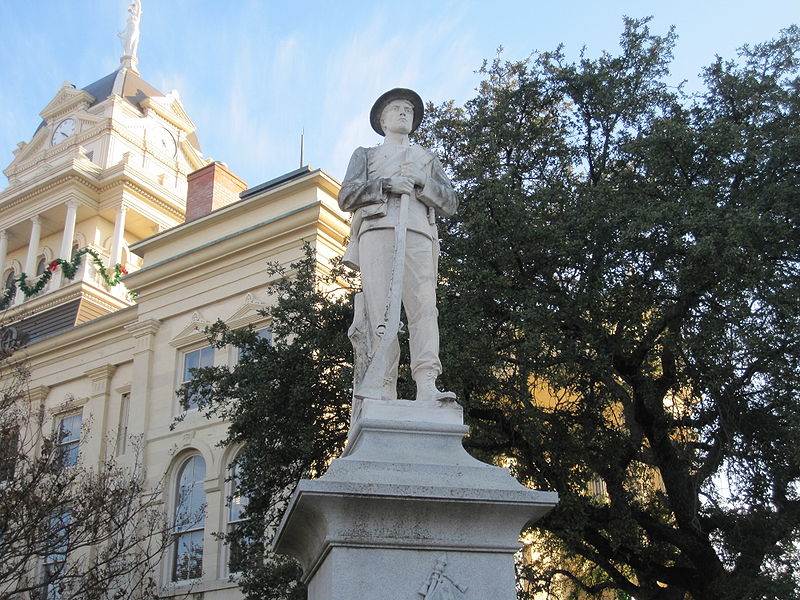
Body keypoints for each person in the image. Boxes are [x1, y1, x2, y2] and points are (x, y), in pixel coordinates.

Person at [339, 88, 458, 402]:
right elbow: (346, 196)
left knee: (424, 309)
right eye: (396, 109)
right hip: (377, 230)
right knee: (382, 311)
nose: (404, 113)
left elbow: (450, 202)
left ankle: (427, 383)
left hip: (418, 232)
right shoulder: (365, 155)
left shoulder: (426, 160)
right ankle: (384, 386)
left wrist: (422, 181)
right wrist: (386, 185)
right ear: (383, 119)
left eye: (408, 109)